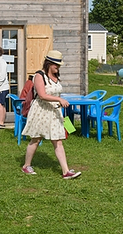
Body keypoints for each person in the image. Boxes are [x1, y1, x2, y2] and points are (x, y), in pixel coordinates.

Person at [21, 50, 81, 180]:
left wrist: (59, 101)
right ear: (49, 63)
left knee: (58, 141)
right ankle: (26, 165)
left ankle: (65, 171)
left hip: (54, 112)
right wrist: (59, 100)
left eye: (59, 65)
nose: (58, 67)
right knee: (36, 139)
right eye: (56, 65)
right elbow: (42, 95)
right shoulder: (39, 75)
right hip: (41, 111)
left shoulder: (55, 76)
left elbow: (55, 93)